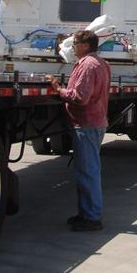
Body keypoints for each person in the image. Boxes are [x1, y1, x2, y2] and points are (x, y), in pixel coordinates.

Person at [46, 29, 111, 231]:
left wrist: (58, 89)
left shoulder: (87, 65)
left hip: (86, 124)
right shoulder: (101, 63)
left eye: (74, 43)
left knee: (88, 172)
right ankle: (86, 213)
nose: (72, 47)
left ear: (85, 45)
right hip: (95, 122)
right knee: (88, 170)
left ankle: (92, 217)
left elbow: (80, 97)